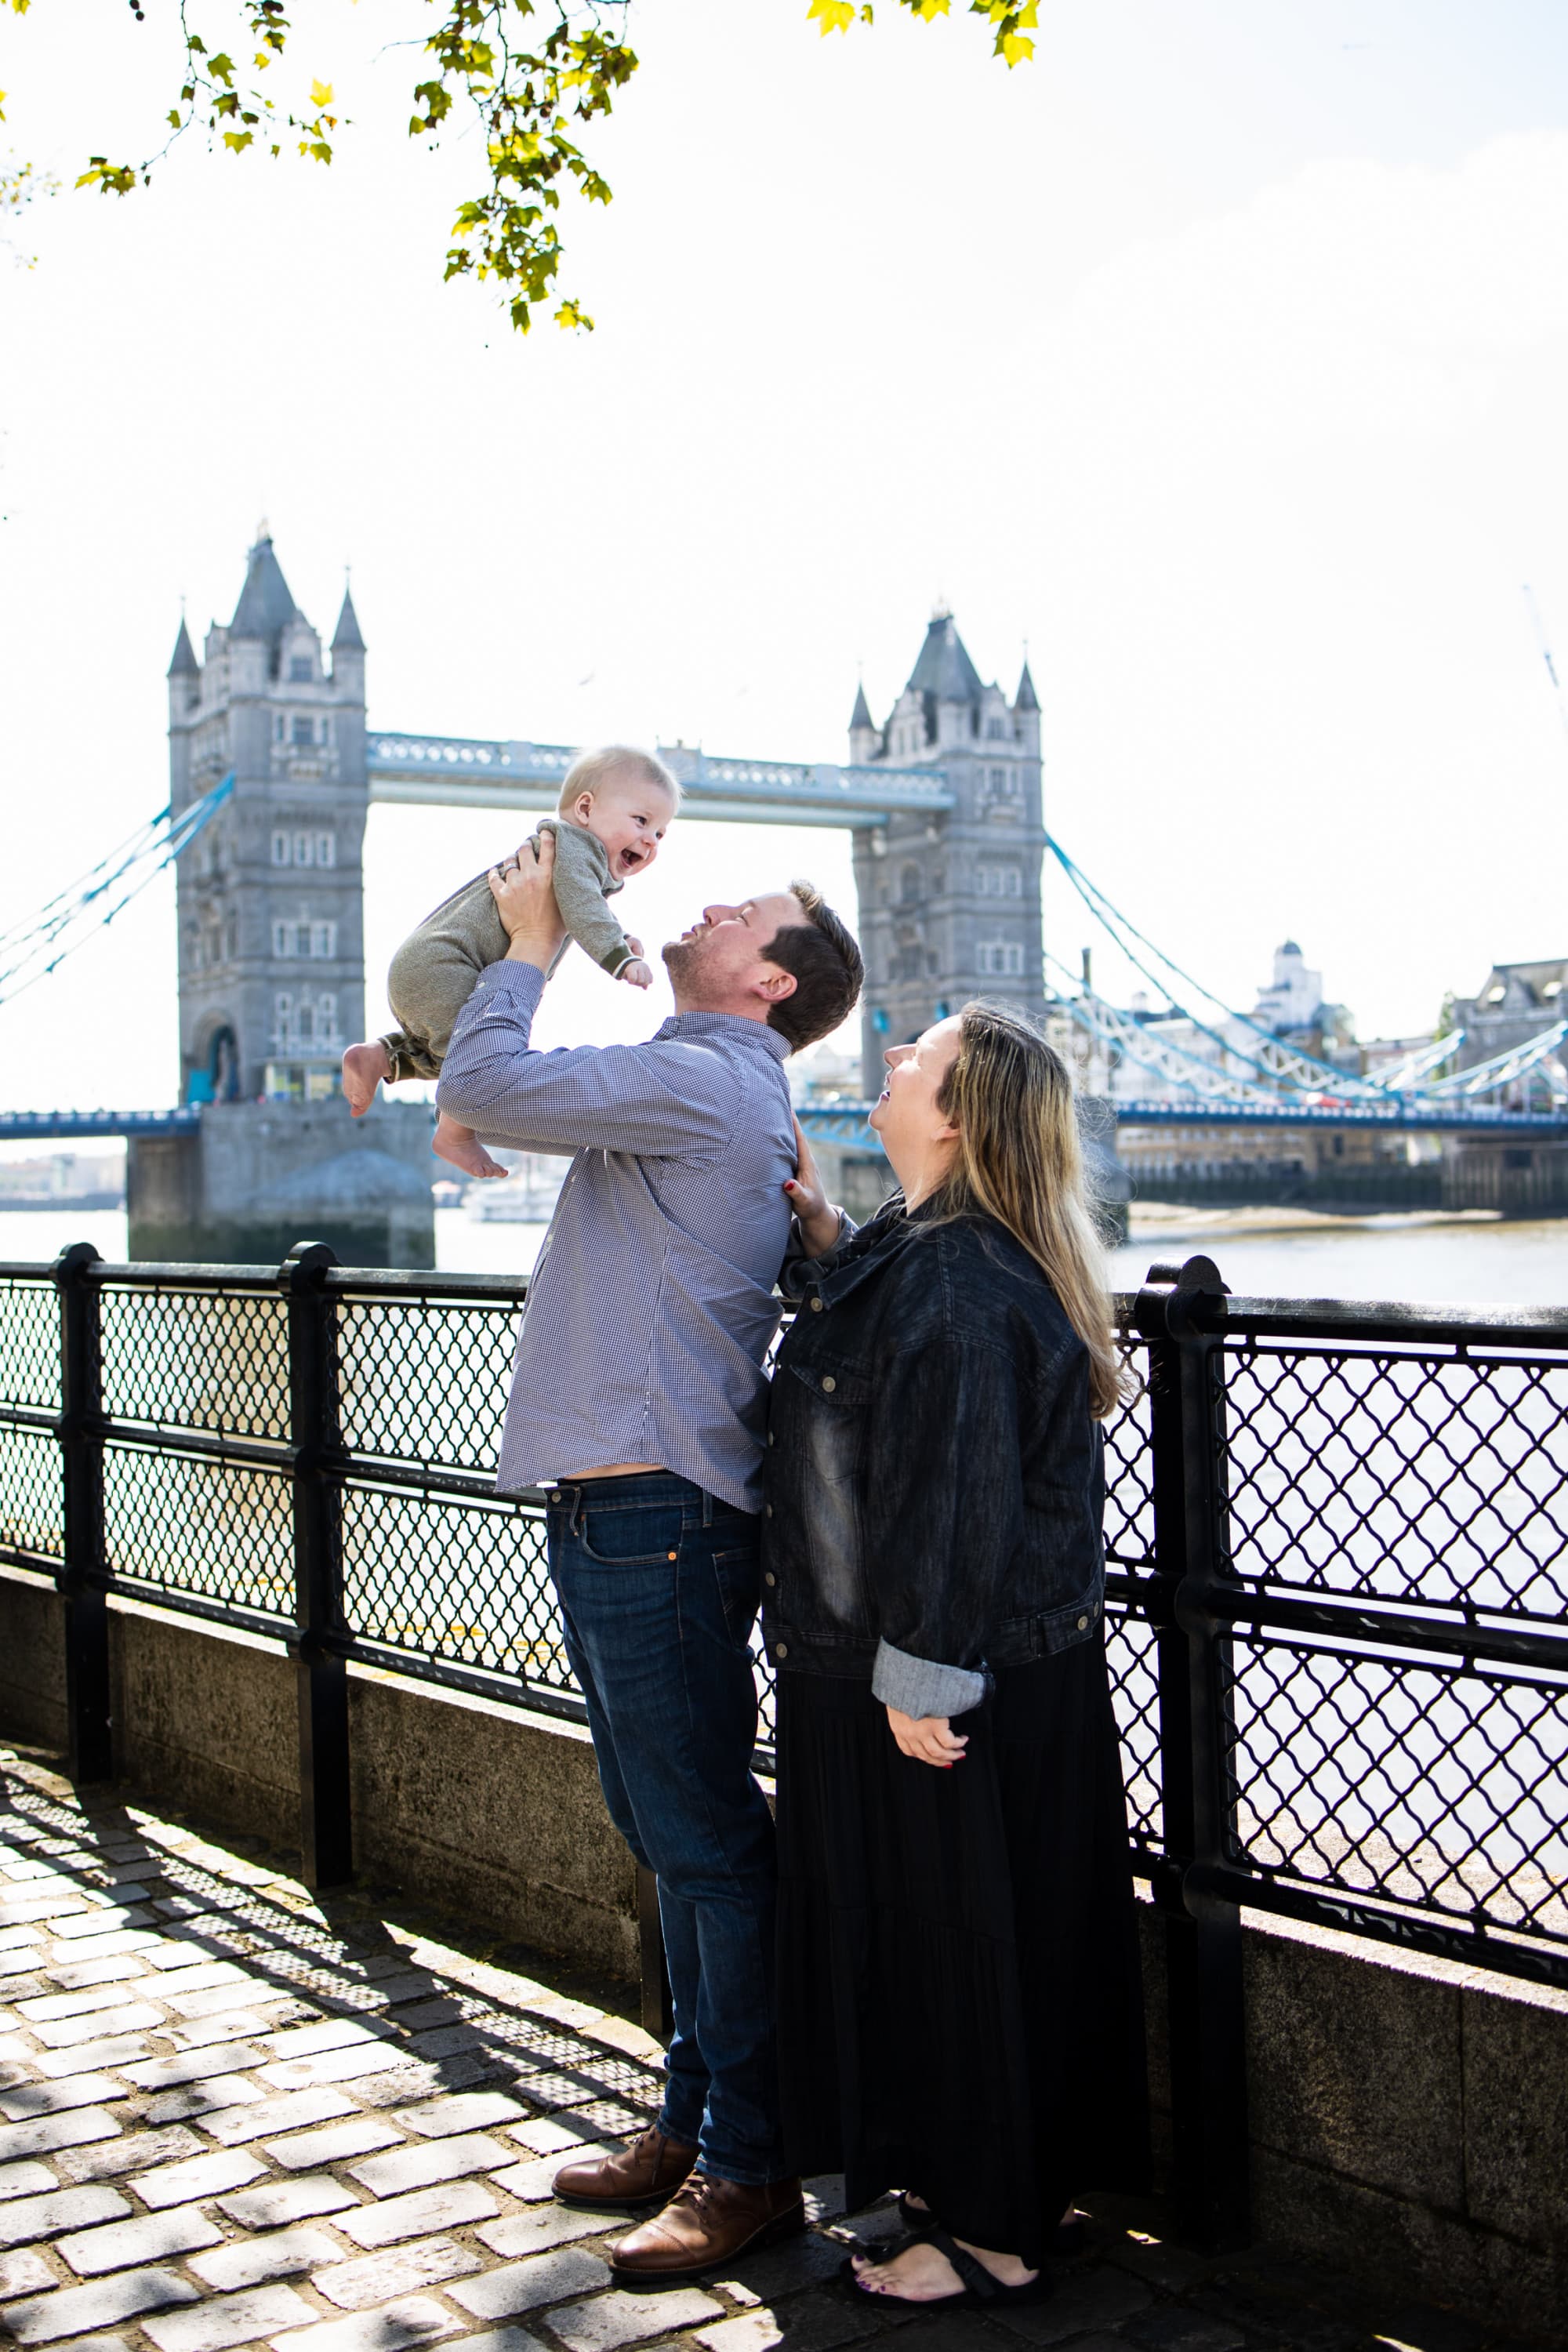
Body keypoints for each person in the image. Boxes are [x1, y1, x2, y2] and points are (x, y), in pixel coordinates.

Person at [436, 828, 864, 2281]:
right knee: (669, 1834)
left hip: (659, 1510)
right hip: (634, 1500)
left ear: (770, 981)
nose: (720, 901)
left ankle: (748, 2164)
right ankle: (691, 2124)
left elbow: (487, 1081)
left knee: (702, 1843)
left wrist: (527, 941)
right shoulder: (714, 1082)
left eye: (758, 912)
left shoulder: (700, 1077)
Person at [763, 1002, 1150, 2314]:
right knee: (957, 1942)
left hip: (940, 1680)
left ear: (956, 1114)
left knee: (958, 1947)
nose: (887, 1063)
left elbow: (951, 1493)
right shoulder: (925, 1252)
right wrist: (823, 1243)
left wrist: (922, 1679)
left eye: (913, 1058)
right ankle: (978, 2196)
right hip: (951, 1667)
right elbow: (871, 1387)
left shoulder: (955, 1282)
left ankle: (992, 2235)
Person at [341, 745, 678, 1178]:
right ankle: (455, 1134)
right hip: (447, 964)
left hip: (428, 967)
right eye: (641, 821)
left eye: (661, 833)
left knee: (456, 1050)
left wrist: (620, 936)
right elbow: (582, 907)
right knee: (478, 1053)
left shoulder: (574, 859)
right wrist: (618, 958)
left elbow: (583, 909)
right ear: (586, 809)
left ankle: (381, 1058)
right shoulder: (576, 849)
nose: (650, 839)